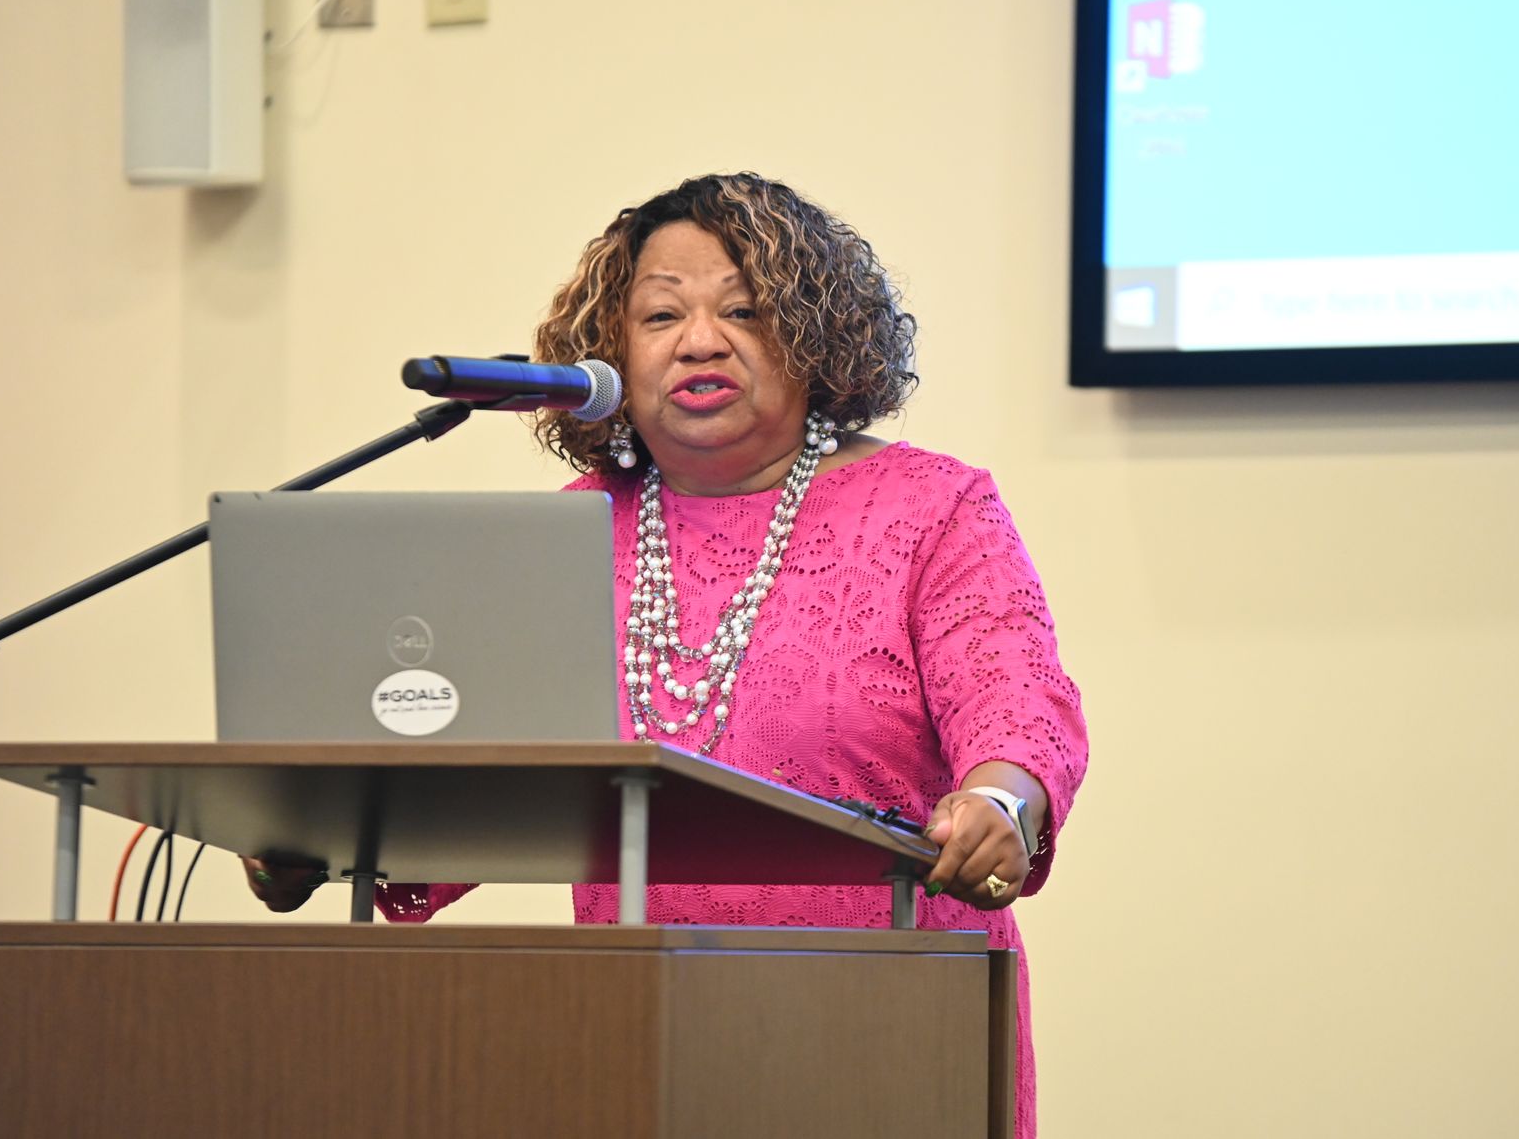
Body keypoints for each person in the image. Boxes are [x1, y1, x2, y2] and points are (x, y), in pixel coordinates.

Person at [245, 173, 1087, 1136]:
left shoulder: (933, 508)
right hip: (637, 1043)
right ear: (612, 350)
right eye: (661, 314)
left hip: (887, 1026)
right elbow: (487, 774)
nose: (699, 340)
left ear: (816, 335)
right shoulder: (570, 538)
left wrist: (1000, 803)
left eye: (744, 309)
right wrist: (319, 838)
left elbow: (1019, 702)